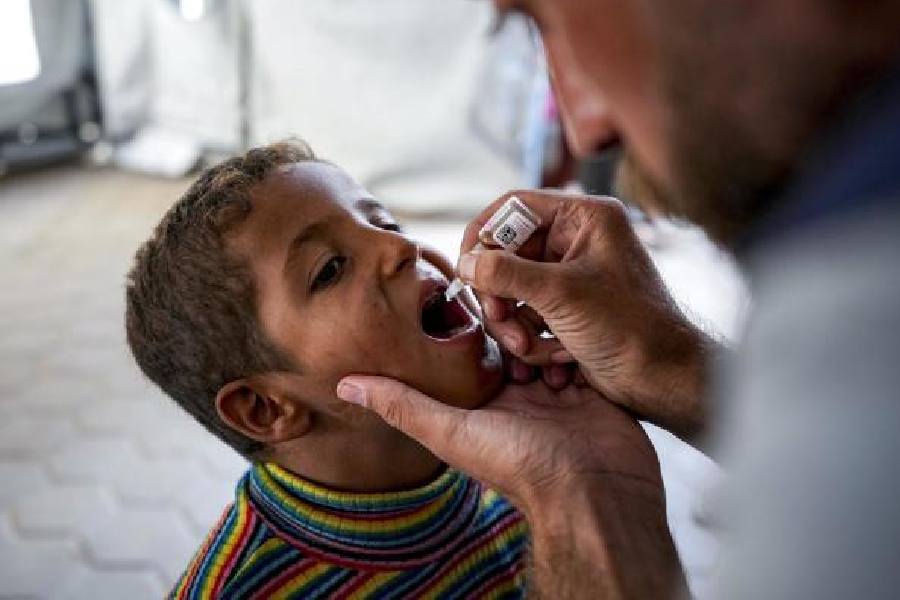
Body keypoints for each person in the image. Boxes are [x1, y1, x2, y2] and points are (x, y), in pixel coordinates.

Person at [336, 1, 900, 598]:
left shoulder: (857, 332)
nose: (586, 127)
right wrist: (673, 367)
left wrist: (576, 494)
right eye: (327, 270)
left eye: (545, 19)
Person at [125, 141, 529, 598]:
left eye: (384, 222)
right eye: (331, 269)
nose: (400, 247)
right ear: (264, 408)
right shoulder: (249, 588)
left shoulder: (525, 450)